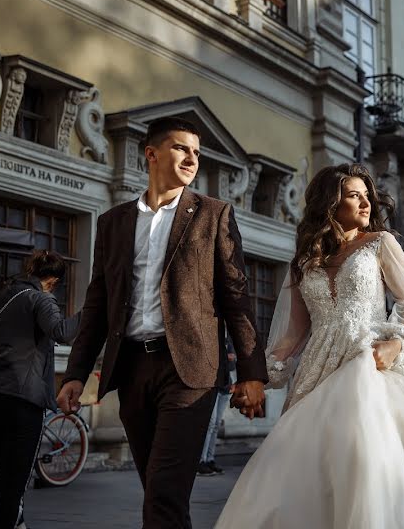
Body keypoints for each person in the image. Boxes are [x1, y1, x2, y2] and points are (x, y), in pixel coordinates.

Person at [214, 163, 404, 528]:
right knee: (311, 473)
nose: (366, 204)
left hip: (371, 365)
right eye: (354, 196)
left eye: (367, 197)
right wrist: (255, 379)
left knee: (368, 462)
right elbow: (291, 337)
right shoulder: (305, 261)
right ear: (330, 203)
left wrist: (395, 344)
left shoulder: (381, 244)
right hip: (317, 374)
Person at [57, 117, 268, 529]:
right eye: (181, 148)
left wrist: (251, 372)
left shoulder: (213, 215)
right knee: (158, 490)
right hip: (132, 369)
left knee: (166, 490)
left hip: (190, 371)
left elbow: (236, 296)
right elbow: (98, 303)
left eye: (196, 152)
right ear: (151, 154)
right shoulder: (113, 222)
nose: (192, 158)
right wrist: (76, 374)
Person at [0, 250, 80, 528]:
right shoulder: (39, 299)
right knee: (14, 486)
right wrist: (94, 310)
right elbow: (62, 332)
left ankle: (17, 521)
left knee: (1, 479)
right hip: (23, 402)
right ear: (53, 281)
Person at [198, 339, 236, 476]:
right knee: (209, 424)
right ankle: (200, 462)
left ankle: (209, 459)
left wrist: (225, 357)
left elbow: (232, 365)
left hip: (225, 388)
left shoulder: (227, 340)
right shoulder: (212, 336)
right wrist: (225, 357)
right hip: (212, 387)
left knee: (216, 425)